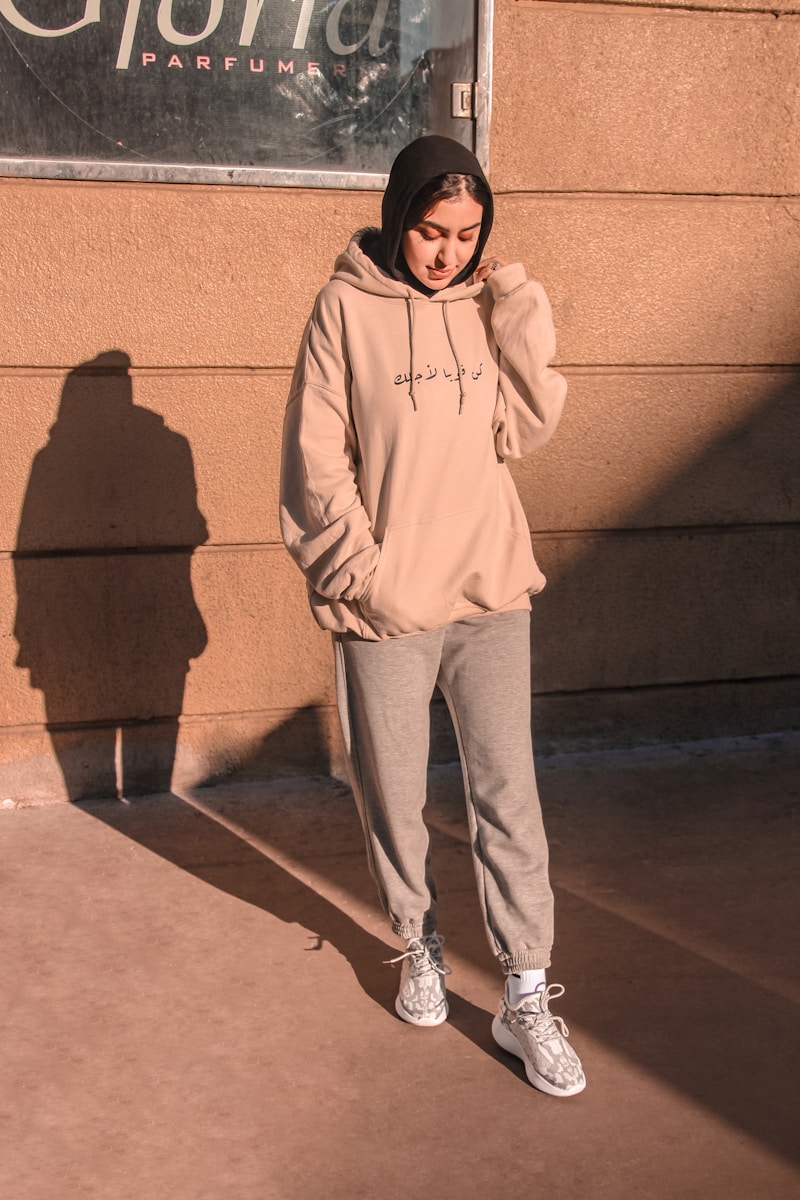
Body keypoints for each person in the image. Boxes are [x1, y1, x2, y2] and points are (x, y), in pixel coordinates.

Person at [279, 135, 585, 1097]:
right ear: (397, 215)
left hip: (490, 592)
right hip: (389, 608)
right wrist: (367, 576)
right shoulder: (342, 311)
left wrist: (516, 301)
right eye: (430, 230)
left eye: (466, 233)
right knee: (394, 794)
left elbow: (526, 426)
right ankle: (419, 942)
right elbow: (316, 459)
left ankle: (526, 993)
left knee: (510, 796)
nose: (448, 251)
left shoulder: (483, 305)